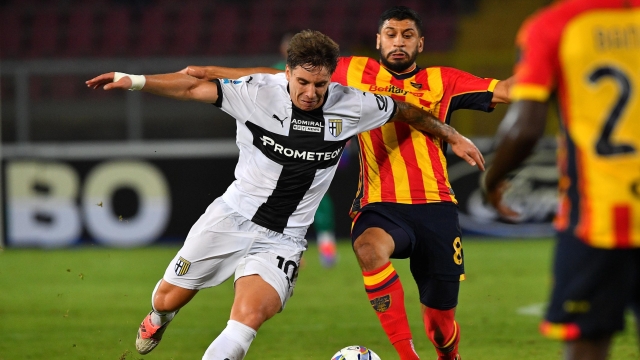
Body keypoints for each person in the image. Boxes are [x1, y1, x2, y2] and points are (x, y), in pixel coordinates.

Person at [86, 29, 485, 359]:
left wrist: (453, 135)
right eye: (302, 82)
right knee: (168, 297)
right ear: (287, 73)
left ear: (332, 79)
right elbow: (193, 88)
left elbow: (406, 109)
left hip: (283, 239)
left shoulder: (352, 104)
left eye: (321, 84)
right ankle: (158, 317)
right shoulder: (257, 92)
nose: (311, 93)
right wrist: (134, 80)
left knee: (245, 324)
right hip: (230, 218)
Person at [183, 6, 511, 360]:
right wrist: (214, 72)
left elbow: (506, 90)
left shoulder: (444, 80)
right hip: (380, 204)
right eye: (390, 34)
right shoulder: (354, 71)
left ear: (420, 44)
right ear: (378, 40)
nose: (398, 42)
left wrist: (552, 74)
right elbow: (277, 77)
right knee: (368, 249)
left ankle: (448, 355)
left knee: (440, 326)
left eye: (407, 36)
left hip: (436, 207)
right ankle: (408, 356)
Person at [482, 1, 640, 359]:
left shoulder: (553, 26)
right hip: (602, 216)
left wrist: (492, 180)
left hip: (598, 219)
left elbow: (524, 129)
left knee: (588, 344)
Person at [275, 32, 340, 268]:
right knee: (283, 195)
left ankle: (326, 247)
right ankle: (284, 246)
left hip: (314, 145)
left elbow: (339, 109)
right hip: (284, 149)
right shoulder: (273, 72)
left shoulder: (325, 74)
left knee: (319, 195)